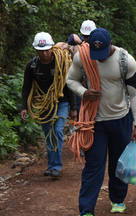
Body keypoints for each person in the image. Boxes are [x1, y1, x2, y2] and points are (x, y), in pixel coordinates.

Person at [66, 28, 136, 215]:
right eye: (96, 54)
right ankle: (86, 209)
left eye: (102, 54)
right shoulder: (83, 58)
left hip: (121, 119)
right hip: (95, 122)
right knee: (94, 166)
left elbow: (135, 95)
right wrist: (84, 92)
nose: (99, 58)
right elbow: (71, 80)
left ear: (111, 44)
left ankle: (118, 200)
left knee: (118, 164)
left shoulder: (126, 60)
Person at [20, 32, 77, 178]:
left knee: (57, 131)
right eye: (41, 50)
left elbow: (69, 84)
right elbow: (26, 87)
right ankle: (52, 166)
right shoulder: (32, 66)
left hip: (61, 102)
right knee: (48, 134)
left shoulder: (61, 62)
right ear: (36, 50)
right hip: (44, 103)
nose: (45, 53)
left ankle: (55, 167)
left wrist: (74, 107)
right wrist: (24, 107)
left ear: (52, 48)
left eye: (47, 50)